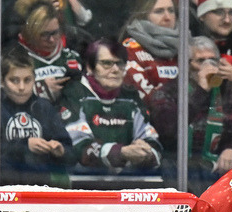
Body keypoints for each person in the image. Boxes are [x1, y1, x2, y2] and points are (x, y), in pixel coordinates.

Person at [146, 35, 232, 193]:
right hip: (178, 168)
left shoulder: (226, 89)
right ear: (185, 64)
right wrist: (201, 90)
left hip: (215, 166)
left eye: (213, 60)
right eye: (200, 61)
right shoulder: (167, 91)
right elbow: (169, 131)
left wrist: (231, 148)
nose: (208, 65)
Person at [58, 37, 162, 174]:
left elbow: (151, 139)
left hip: (128, 185)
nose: (115, 70)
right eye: (107, 63)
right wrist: (121, 152)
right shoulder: (74, 93)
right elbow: (79, 146)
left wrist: (147, 153)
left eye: (120, 64)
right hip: (84, 184)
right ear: (90, 67)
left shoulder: (130, 96)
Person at [0, 48, 72, 187]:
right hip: (4, 186)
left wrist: (59, 150)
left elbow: (69, 150)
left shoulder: (44, 107)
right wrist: (25, 145)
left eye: (27, 80)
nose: (21, 87)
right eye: (14, 80)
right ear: (2, 82)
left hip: (41, 186)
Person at [11, 0, 83, 104]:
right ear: (31, 32)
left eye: (55, 33)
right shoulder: (14, 58)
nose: (51, 40)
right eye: (44, 34)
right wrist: (37, 90)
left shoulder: (74, 54)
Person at [119, 0, 180, 101]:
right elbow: (148, 100)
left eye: (171, 10)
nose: (167, 17)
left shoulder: (188, 45)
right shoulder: (131, 48)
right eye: (159, 11)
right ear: (144, 15)